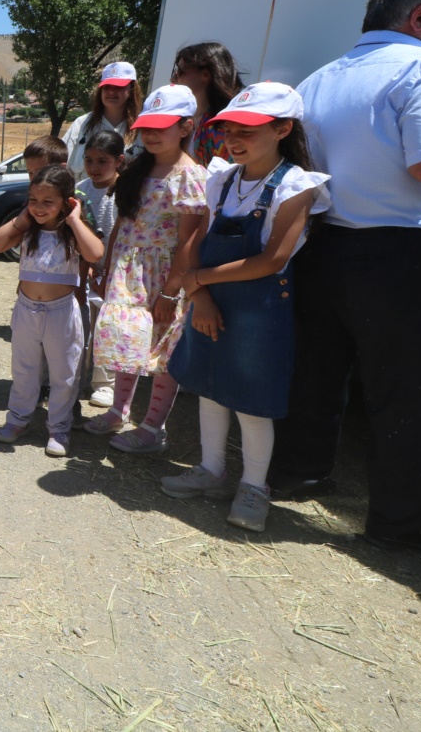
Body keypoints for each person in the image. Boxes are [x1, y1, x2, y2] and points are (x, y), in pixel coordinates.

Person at [274, 0, 421, 552]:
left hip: (323, 246)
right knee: (406, 393)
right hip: (396, 254)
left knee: (317, 374)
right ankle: (401, 522)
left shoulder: (319, 80)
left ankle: (298, 470)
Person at [164, 84, 329, 533]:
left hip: (258, 310)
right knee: (210, 386)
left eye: (247, 131)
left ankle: (255, 486)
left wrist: (200, 281)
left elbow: (272, 260)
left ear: (282, 129)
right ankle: (211, 469)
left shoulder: (296, 186)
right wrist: (198, 297)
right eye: (229, 129)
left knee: (252, 400)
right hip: (210, 302)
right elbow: (193, 241)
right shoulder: (222, 178)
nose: (233, 139)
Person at [84, 84, 207, 453]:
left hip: (163, 274)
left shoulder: (189, 175)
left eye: (162, 127)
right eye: (147, 127)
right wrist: (107, 267)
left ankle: (153, 428)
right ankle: (119, 411)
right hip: (127, 268)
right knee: (128, 340)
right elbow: (123, 221)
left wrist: (171, 291)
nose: (151, 134)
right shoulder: (140, 168)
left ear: (185, 128)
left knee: (161, 353)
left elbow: (189, 239)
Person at [0, 166, 104, 455]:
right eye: (33, 200)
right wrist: (22, 218)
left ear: (66, 202)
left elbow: (95, 254)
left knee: (64, 373)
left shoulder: (72, 233)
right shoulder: (27, 230)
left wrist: (75, 219)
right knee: (24, 369)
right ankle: (18, 419)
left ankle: (59, 429)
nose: (39, 208)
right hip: (27, 310)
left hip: (61, 312)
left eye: (48, 202)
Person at [78, 129, 126, 408]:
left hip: (116, 270)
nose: (94, 168)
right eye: (89, 160)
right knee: (82, 325)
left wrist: (108, 270)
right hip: (86, 269)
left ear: (119, 161)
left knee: (107, 327)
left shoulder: (125, 190)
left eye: (102, 161)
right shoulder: (80, 189)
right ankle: (79, 379)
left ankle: (105, 384)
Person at [63, 61, 141, 180]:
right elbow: (62, 165)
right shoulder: (82, 123)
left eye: (118, 87)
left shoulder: (142, 128)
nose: (111, 92)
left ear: (132, 89)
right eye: (107, 86)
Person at [171, 42, 242, 167]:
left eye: (181, 71)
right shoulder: (179, 119)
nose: (174, 78)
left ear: (205, 75)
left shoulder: (224, 129)